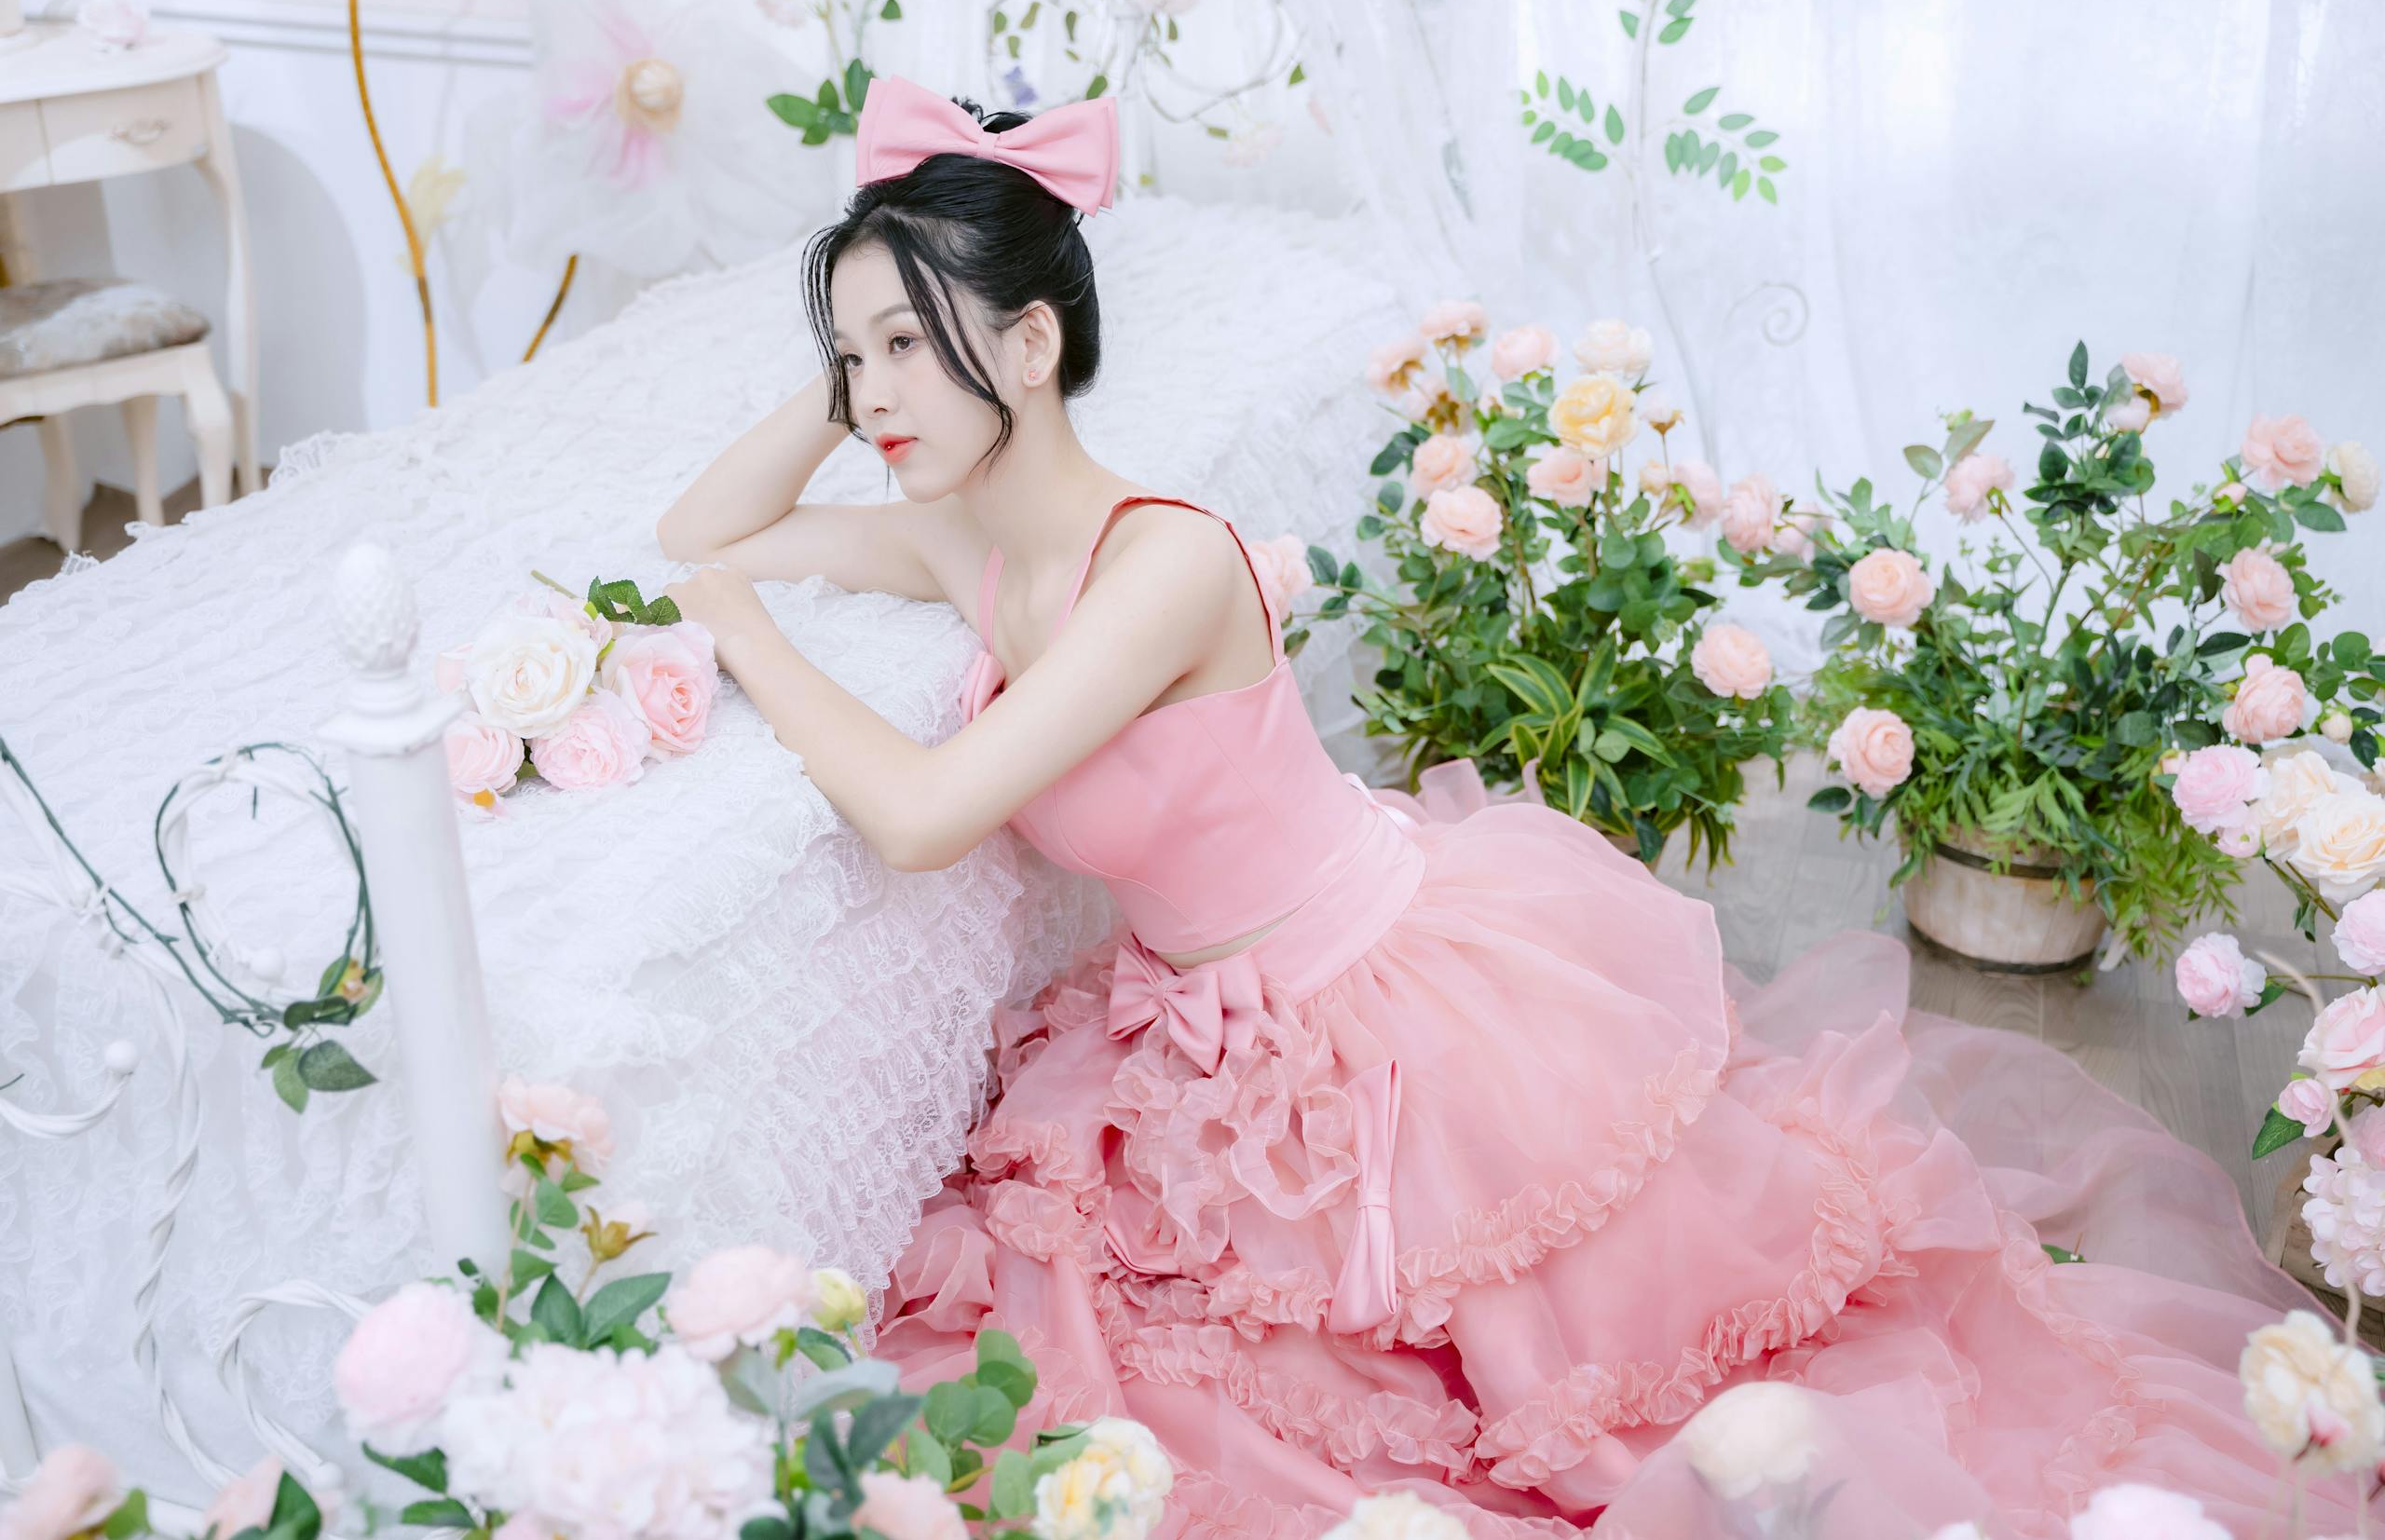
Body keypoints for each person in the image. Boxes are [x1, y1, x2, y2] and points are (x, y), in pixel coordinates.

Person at [657, 76, 2364, 1536]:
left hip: (1396, 1016)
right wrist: (870, 349)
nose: (873, 394)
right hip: (1212, 1035)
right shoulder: (968, 542)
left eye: (905, 349)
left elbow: (919, 812)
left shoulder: (1158, 563)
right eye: (853, 360)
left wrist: (745, 625)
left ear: (1032, 343)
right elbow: (698, 533)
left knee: (1581, 1405)